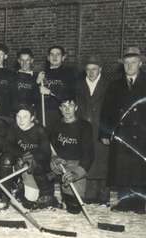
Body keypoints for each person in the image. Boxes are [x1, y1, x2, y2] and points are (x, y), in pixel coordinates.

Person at [100, 47, 146, 214]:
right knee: (122, 168)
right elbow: (106, 110)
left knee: (140, 169)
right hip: (121, 134)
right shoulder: (115, 85)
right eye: (126, 63)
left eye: (133, 62)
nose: (129, 66)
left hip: (142, 134)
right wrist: (104, 133)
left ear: (140, 63)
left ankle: (141, 203)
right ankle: (124, 201)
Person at [6, 104, 57, 209]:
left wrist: (33, 157)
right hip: (22, 165)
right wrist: (20, 155)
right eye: (18, 116)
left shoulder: (40, 130)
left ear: (32, 118)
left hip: (38, 167)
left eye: (25, 117)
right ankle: (19, 187)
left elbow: (46, 152)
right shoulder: (13, 128)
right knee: (29, 199)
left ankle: (46, 193)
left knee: (32, 198)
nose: (21, 120)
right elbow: (8, 146)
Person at [49, 98, 94, 214]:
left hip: (75, 165)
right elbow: (50, 148)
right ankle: (47, 194)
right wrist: (54, 158)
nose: (67, 109)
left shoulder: (85, 126)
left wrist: (76, 173)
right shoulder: (55, 125)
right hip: (60, 164)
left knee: (74, 208)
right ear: (60, 109)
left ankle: (67, 195)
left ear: (76, 107)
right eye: (64, 106)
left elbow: (89, 154)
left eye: (70, 105)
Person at [76, 55, 110, 205]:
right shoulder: (78, 85)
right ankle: (89, 193)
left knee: (103, 159)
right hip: (84, 127)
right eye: (88, 69)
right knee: (87, 156)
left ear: (100, 69)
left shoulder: (108, 85)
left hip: (101, 128)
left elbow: (112, 109)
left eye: (94, 69)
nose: (91, 72)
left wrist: (108, 130)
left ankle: (103, 194)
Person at [37, 45, 78, 127]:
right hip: (44, 113)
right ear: (48, 57)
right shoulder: (43, 74)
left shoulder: (69, 73)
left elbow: (70, 95)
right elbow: (35, 96)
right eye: (52, 54)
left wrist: (50, 92)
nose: (54, 57)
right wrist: (37, 82)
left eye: (58, 54)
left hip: (61, 114)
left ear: (63, 57)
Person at [13, 48, 40, 114]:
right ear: (19, 61)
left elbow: (38, 98)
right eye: (22, 60)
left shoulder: (37, 77)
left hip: (30, 112)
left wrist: (37, 83)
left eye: (27, 60)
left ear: (32, 60)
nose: (24, 63)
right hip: (15, 112)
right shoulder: (12, 76)